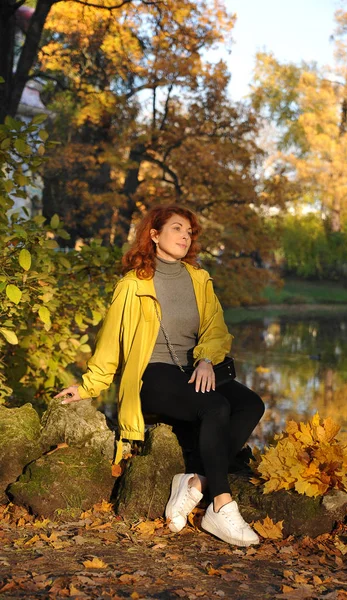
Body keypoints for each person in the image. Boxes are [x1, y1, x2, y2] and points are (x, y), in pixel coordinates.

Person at [55, 204, 265, 547]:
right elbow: (110, 342)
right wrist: (89, 386)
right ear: (154, 235)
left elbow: (216, 329)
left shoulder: (199, 279)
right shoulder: (131, 286)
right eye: (177, 229)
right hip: (153, 376)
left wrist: (206, 360)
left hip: (194, 370)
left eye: (189, 232)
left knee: (251, 404)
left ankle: (195, 482)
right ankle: (221, 506)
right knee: (216, 408)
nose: (185, 236)